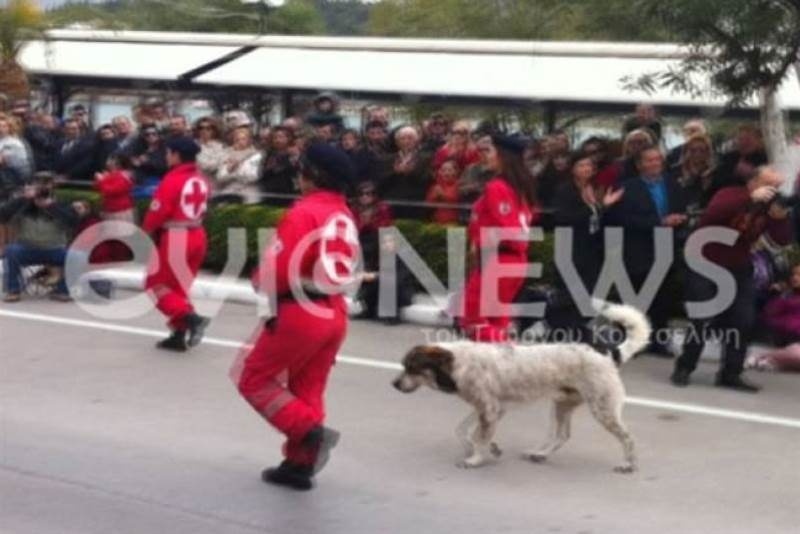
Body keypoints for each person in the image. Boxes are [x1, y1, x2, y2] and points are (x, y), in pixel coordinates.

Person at [234, 143, 360, 491]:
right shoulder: (343, 213)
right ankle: (299, 465)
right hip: (334, 311)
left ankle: (309, 434)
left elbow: (277, 269)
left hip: (300, 310)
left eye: (302, 168)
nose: (298, 174)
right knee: (308, 386)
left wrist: (259, 280)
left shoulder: (305, 212)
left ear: (314, 175)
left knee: (253, 379)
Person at [671, 166, 793, 392]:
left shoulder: (768, 208)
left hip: (738, 265)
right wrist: (749, 199)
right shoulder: (731, 194)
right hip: (706, 262)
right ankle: (685, 367)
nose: (772, 190)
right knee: (702, 317)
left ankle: (731, 372)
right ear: (754, 182)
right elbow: (714, 214)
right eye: (769, 185)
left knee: (743, 319)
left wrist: (780, 218)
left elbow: (781, 241)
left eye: (776, 186)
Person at [458, 134, 537, 342]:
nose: (484, 156)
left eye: (489, 151)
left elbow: (509, 230)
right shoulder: (520, 187)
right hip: (513, 260)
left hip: (497, 259)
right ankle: (500, 368)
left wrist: (483, 245)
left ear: (503, 156)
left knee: (473, 321)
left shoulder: (498, 187)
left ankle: (511, 359)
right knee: (496, 320)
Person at [613, 146, 688, 356]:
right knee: (634, 298)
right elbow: (621, 218)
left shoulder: (673, 185)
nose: (654, 164)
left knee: (662, 299)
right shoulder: (627, 187)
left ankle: (659, 341)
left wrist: (680, 219)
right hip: (637, 249)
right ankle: (629, 342)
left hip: (665, 249)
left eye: (657, 160)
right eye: (649, 160)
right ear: (639, 165)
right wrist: (659, 222)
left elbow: (681, 210)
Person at [141, 137, 212, 352]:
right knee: (179, 288)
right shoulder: (201, 179)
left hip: (177, 236)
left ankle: (191, 318)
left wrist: (146, 231)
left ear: (176, 155)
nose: (166, 156)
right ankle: (178, 335)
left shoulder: (173, 180)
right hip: (197, 233)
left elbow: (157, 211)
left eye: (168, 152)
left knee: (156, 285)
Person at [549, 151, 624, 341]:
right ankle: (561, 332)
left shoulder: (594, 189)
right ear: (573, 169)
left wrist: (602, 207)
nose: (586, 169)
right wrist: (600, 206)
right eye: (581, 165)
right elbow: (564, 218)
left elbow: (596, 219)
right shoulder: (565, 190)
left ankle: (577, 331)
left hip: (590, 251)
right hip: (571, 249)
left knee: (588, 294)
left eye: (589, 165)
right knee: (571, 295)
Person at [0, 174, 78, 303]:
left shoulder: (61, 204)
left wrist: (50, 206)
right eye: (38, 184)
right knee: (11, 251)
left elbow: (73, 221)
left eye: (45, 184)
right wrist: (24, 199)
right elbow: (3, 214)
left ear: (52, 186)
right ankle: (13, 290)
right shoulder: (25, 204)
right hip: (27, 248)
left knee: (77, 256)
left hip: (55, 249)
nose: (41, 189)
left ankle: (63, 290)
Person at [216, 128, 263, 204]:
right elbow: (220, 177)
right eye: (237, 139)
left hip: (249, 195)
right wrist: (229, 170)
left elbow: (253, 176)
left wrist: (236, 169)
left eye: (243, 139)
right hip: (230, 193)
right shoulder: (227, 154)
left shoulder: (257, 155)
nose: (240, 142)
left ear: (249, 140)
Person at [762, 263, 800, 347]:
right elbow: (769, 315)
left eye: (799, 275)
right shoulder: (785, 296)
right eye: (793, 275)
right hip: (787, 339)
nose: (795, 278)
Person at [426, 158, 461, 224]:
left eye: (449, 170)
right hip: (437, 221)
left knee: (456, 234)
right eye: (443, 170)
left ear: (456, 172)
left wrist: (442, 195)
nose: (446, 172)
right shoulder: (436, 186)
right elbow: (428, 203)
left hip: (455, 221)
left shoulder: (459, 185)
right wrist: (434, 196)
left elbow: (456, 199)